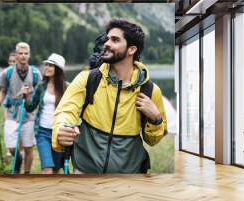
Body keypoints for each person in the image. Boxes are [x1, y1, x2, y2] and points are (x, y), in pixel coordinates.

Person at [52, 19, 167, 174]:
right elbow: (66, 110)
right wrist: (61, 128)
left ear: (131, 49)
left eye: (115, 40)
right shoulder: (88, 79)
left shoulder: (150, 90)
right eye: (107, 38)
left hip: (128, 179)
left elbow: (153, 140)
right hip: (85, 172)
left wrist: (156, 119)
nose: (107, 43)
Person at [0, 42, 42, 174]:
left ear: (29, 55)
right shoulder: (7, 73)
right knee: (12, 146)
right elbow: (3, 91)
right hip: (12, 114)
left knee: (28, 147)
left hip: (29, 115)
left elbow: (39, 95)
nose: (23, 56)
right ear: (16, 55)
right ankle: (18, 159)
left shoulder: (36, 73)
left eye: (26, 53)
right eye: (20, 53)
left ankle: (26, 174)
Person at [22, 53, 68, 174]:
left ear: (58, 69)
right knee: (47, 169)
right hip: (42, 132)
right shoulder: (41, 87)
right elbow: (30, 107)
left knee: (56, 170)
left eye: (50, 65)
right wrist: (26, 96)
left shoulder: (67, 88)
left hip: (59, 133)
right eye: (46, 65)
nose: (47, 68)